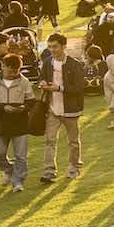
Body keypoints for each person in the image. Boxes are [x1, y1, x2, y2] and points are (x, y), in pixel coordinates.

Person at [38, 31, 88, 184]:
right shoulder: (47, 62)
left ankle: (74, 167)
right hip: (52, 108)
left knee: (73, 141)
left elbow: (79, 87)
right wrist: (43, 84)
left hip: (71, 109)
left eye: (55, 47)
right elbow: (42, 78)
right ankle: (49, 172)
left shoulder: (75, 64)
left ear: (64, 47)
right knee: (50, 140)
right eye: (50, 47)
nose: (52, 50)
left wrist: (59, 88)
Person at [0, 52, 34, 191]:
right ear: (2, 66)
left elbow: (31, 101)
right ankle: (9, 171)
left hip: (20, 122)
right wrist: (2, 107)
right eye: (10, 71)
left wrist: (24, 108)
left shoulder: (24, 81)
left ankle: (18, 181)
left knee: (21, 156)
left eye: (16, 71)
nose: (13, 74)